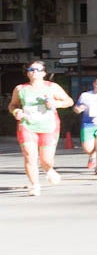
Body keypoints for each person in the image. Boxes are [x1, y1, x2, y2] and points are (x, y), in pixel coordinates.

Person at [9, 60, 73, 197]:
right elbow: (13, 105)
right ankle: (35, 185)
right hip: (27, 125)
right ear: (27, 73)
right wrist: (16, 112)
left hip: (49, 126)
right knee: (30, 157)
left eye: (37, 70)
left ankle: (49, 170)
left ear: (44, 73)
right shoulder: (20, 89)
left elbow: (69, 101)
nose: (34, 72)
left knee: (46, 160)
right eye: (31, 69)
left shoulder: (52, 87)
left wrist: (55, 103)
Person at [76, 73, 97, 177]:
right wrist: (78, 109)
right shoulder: (85, 95)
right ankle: (92, 156)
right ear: (94, 84)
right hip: (87, 124)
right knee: (88, 148)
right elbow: (77, 108)